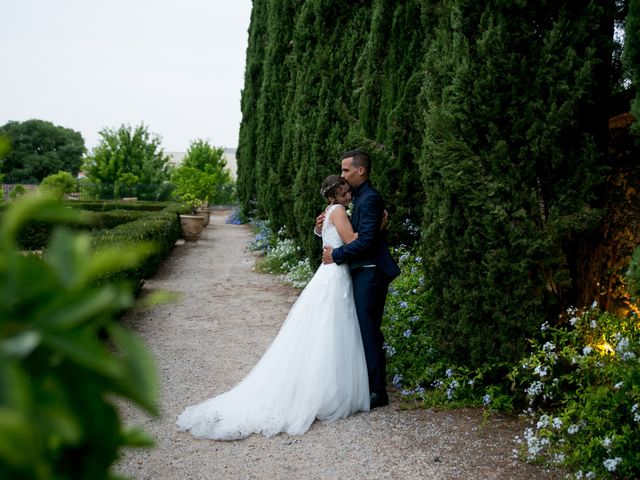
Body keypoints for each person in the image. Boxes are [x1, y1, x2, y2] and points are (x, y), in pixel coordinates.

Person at [176, 175, 369, 440]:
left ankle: (324, 389)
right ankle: (327, 393)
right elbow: (353, 240)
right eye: (344, 192)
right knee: (331, 329)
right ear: (333, 196)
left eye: (348, 191)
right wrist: (377, 228)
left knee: (325, 329)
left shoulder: (327, 212)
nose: (348, 196)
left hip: (329, 274)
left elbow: (326, 235)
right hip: (335, 274)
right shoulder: (338, 212)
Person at [319, 149, 400, 409]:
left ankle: (378, 391)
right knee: (362, 329)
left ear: (360, 170)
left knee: (368, 330)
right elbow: (358, 234)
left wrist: (337, 255)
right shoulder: (356, 200)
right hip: (360, 269)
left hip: (371, 269)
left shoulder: (371, 198)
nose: (342, 174)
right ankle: (366, 384)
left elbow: (365, 241)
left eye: (345, 170)